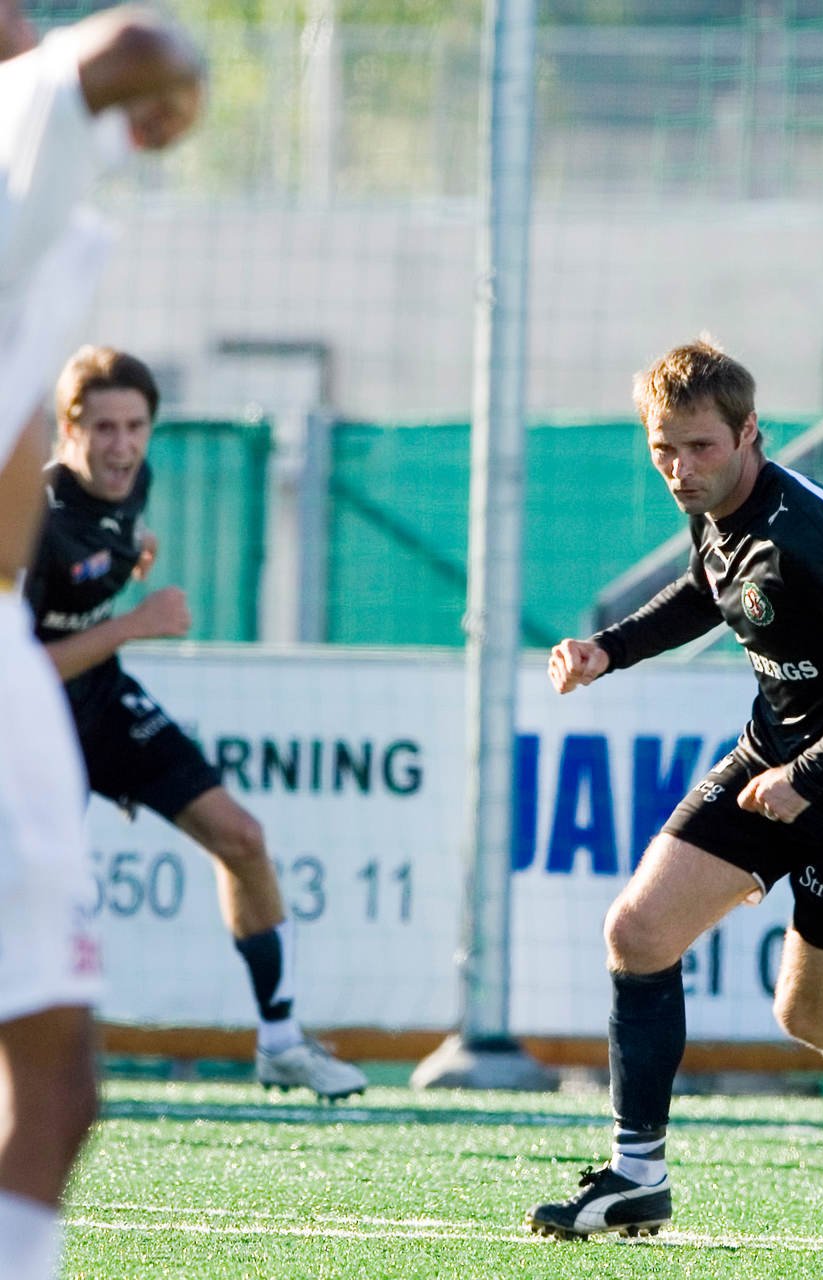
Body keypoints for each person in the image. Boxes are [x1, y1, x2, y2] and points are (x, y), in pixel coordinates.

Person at [527, 338, 823, 1240]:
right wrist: (608, 650)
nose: (680, 469)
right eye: (663, 449)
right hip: (768, 761)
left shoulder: (808, 531)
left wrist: (807, 779)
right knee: (637, 931)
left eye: (700, 447)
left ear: (751, 433)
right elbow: (707, 588)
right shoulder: (713, 508)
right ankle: (636, 1176)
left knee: (810, 1012)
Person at [25, 345, 368, 1103]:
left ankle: (281, 1042)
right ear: (68, 430)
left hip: (101, 701)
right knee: (40, 895)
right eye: (104, 429)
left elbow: (108, 544)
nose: (122, 447)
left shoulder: (131, 483)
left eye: (136, 427)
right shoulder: (30, 519)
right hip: (32, 723)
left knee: (242, 838)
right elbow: (15, 671)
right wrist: (133, 624)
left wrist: (134, 548)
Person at [0, 8, 204, 1277]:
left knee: (56, 1080)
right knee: (56, 1078)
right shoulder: (13, 124)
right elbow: (137, 48)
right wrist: (178, 85)